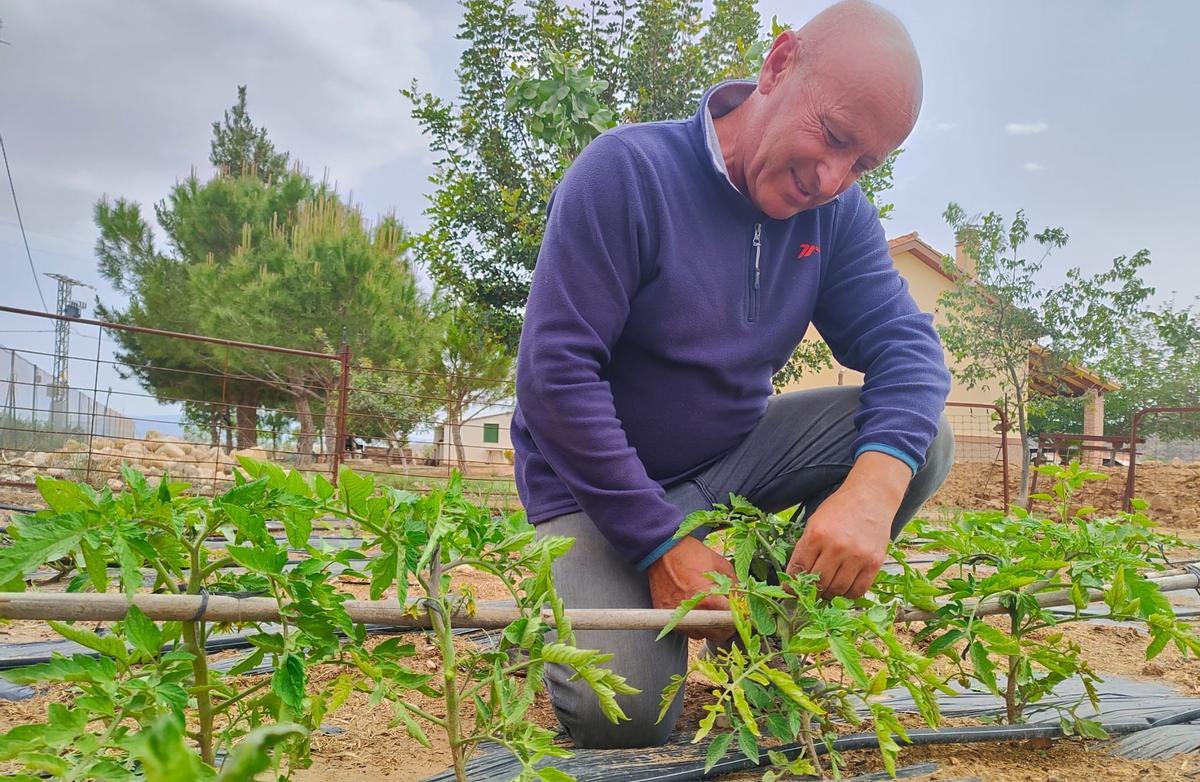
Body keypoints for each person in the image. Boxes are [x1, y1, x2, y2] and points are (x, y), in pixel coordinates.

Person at [511, 0, 954, 749]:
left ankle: (756, 629)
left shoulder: (837, 217)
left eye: (864, 164)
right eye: (835, 137)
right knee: (622, 716)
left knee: (921, 443)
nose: (832, 177)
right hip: (592, 493)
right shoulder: (629, 174)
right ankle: (595, 585)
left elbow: (908, 349)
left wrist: (874, 491)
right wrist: (658, 545)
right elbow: (555, 377)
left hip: (728, 465)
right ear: (778, 65)